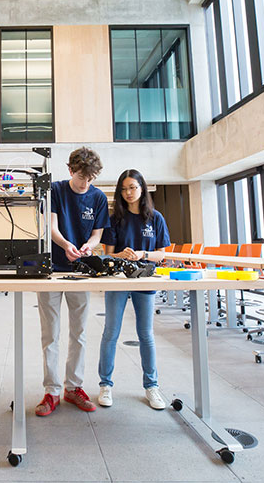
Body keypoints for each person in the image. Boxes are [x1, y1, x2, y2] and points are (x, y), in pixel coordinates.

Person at [35, 147, 109, 416]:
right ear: (70, 170)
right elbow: (51, 227)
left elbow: (97, 235)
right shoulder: (54, 190)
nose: (85, 184)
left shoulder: (98, 197)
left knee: (79, 332)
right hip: (52, 269)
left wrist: (88, 247)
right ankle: (52, 390)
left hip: (80, 271)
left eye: (90, 179)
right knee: (50, 334)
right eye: (81, 178)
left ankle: (73, 387)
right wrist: (67, 244)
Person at [97, 169, 170, 410]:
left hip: (145, 279)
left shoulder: (155, 218)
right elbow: (107, 255)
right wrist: (120, 254)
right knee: (111, 332)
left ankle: (152, 386)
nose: (128, 193)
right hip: (118, 280)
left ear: (142, 189)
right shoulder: (114, 218)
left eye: (133, 188)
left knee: (146, 335)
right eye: (124, 189)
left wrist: (143, 254)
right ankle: (105, 385)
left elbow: (162, 254)